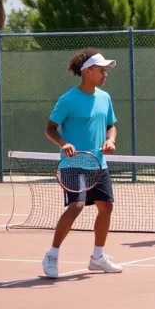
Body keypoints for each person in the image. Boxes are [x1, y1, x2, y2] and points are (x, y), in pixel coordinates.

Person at [41, 49, 123, 278]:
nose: (105, 74)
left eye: (106, 70)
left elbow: (111, 125)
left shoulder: (105, 98)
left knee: (106, 206)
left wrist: (111, 139)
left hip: (99, 164)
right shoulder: (67, 100)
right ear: (87, 71)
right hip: (73, 164)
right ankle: (52, 255)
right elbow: (50, 128)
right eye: (101, 70)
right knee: (76, 206)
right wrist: (63, 143)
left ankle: (97, 257)